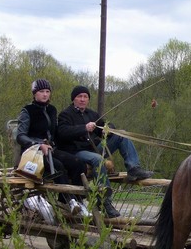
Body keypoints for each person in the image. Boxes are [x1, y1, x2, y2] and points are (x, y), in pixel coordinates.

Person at [57, 85, 153, 218]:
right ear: (74, 99)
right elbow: (62, 133)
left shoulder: (92, 114)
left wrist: (106, 129)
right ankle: (104, 201)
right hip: (76, 151)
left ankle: (133, 168)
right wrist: (84, 128)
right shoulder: (65, 115)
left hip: (93, 148)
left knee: (121, 134)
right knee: (98, 160)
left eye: (85, 97)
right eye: (79, 97)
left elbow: (106, 124)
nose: (83, 99)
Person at [16, 79, 88, 217]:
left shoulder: (52, 110)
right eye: (41, 91)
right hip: (33, 153)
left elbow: (56, 134)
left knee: (78, 163)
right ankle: (70, 201)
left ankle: (75, 200)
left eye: (47, 91)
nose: (44, 94)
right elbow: (20, 136)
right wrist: (37, 144)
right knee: (58, 166)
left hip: (51, 149)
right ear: (34, 94)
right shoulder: (27, 111)